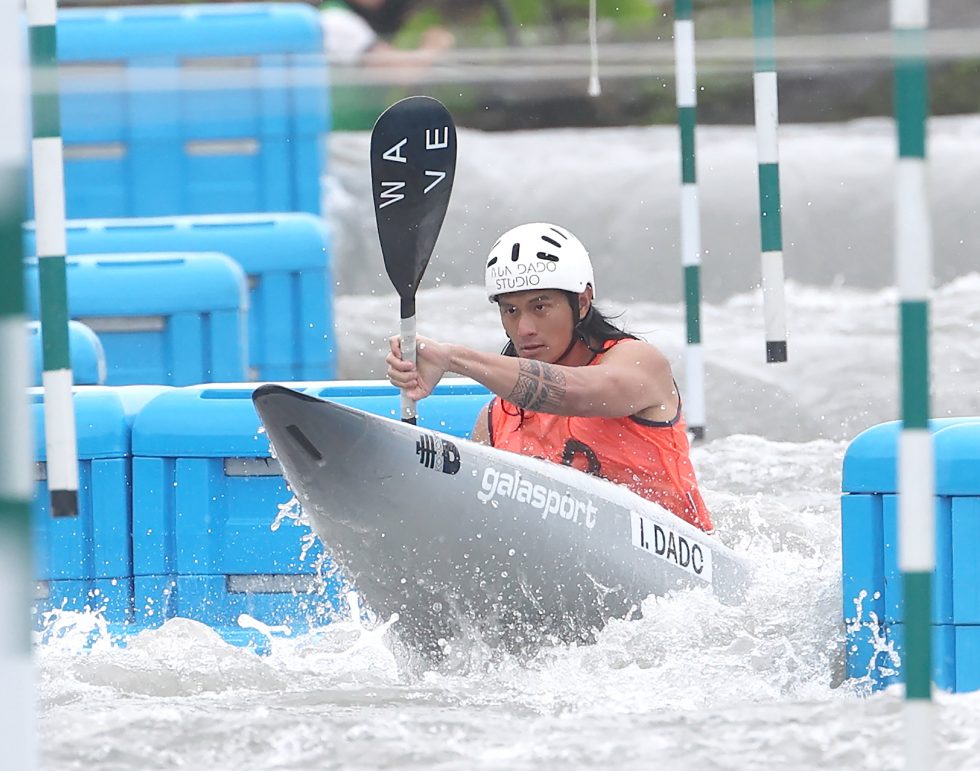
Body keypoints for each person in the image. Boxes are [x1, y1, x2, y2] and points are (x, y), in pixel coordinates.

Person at [385, 222, 714, 533]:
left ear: (582, 302)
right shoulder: (495, 421)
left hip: (687, 576)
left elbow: (578, 393)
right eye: (510, 311)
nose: (524, 329)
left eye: (540, 307)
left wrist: (453, 358)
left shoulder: (640, 362)